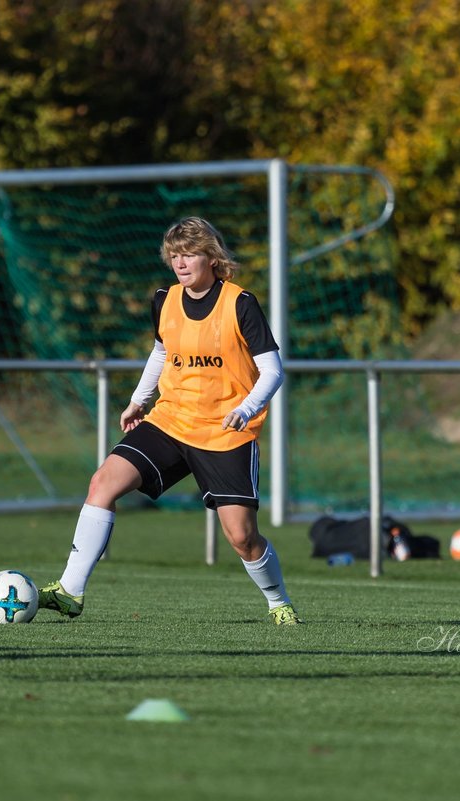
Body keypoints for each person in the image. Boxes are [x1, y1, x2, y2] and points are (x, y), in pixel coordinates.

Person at [37, 216, 300, 625]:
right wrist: (138, 401)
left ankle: (278, 602)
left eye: (189, 253)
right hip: (170, 420)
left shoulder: (240, 303)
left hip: (224, 431)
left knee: (242, 538)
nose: (180, 262)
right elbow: (162, 352)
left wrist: (245, 409)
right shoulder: (165, 299)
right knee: (102, 483)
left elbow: (272, 371)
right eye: (174, 255)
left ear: (212, 258)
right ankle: (71, 591)